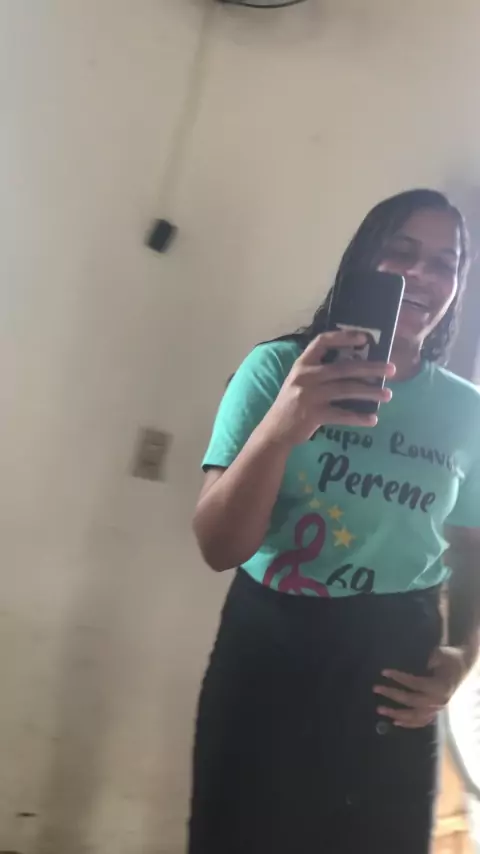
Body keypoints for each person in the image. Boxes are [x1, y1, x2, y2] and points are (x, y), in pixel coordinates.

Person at [188, 189, 480, 854]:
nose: (422, 275)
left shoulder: (468, 413)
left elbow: (472, 547)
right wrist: (283, 427)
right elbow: (218, 545)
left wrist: (462, 654)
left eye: (445, 263)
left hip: (394, 667)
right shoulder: (276, 370)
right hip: (270, 647)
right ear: (364, 261)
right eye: (401, 252)